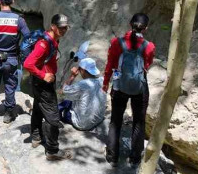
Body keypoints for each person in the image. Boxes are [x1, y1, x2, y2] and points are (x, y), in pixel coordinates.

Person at [103, 13, 156, 168]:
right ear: (145, 28)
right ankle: (135, 158)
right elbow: (147, 64)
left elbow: (110, 65)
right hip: (139, 87)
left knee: (115, 121)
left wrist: (106, 83)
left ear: (130, 23)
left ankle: (112, 157)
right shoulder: (149, 46)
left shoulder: (116, 42)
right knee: (138, 121)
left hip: (119, 86)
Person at [23, 14, 72, 161]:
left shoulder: (52, 40)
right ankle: (52, 150)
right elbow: (27, 64)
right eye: (61, 27)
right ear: (53, 26)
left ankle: (36, 137)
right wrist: (43, 75)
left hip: (40, 82)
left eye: (66, 27)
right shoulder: (44, 44)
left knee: (38, 107)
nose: (64, 30)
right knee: (53, 116)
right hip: (43, 82)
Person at [58, 57, 106, 132]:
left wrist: (73, 76)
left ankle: (56, 118)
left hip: (82, 124)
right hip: (99, 119)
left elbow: (63, 91)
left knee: (64, 103)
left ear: (83, 70)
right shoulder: (102, 80)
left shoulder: (82, 84)